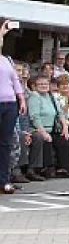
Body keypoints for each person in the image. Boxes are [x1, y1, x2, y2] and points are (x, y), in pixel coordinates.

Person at [0, 20, 27, 195]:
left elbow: (15, 80)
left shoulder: (6, 60)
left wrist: (21, 98)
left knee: (6, 143)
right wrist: (2, 31)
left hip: (9, 104)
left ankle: (3, 181)